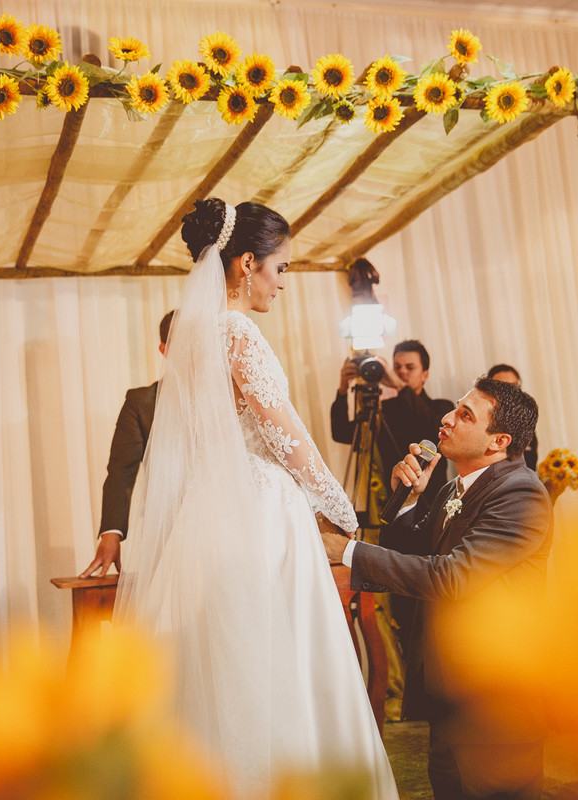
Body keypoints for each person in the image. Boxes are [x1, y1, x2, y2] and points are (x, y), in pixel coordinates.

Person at [114, 198, 397, 799]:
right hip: (262, 512)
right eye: (281, 269)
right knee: (280, 659)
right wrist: (339, 505)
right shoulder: (237, 331)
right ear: (246, 263)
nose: (283, 283)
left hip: (210, 515)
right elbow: (283, 430)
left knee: (220, 667)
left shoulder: (190, 339)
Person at [322, 377, 552, 800]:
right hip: (448, 691)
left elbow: (450, 578)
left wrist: (348, 551)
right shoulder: (454, 487)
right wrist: (408, 502)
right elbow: (418, 559)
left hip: (495, 703)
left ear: (498, 441)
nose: (446, 419)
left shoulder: (521, 493)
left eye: (465, 415)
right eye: (456, 408)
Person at [79, 311, 173, 578]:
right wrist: (111, 534)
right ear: (164, 350)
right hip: (169, 530)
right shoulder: (140, 403)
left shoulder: (232, 396)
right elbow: (121, 471)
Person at [331, 340, 455, 476]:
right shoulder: (384, 409)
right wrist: (343, 389)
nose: (402, 371)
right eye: (397, 367)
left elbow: (431, 429)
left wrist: (399, 385)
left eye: (410, 367)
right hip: (391, 494)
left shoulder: (442, 407)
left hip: (432, 494)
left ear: (425, 375)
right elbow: (342, 433)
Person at [486, 364, 538, 470]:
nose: (510, 392)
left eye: (513, 386)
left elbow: (531, 457)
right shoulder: (482, 420)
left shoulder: (525, 418)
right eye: (503, 386)